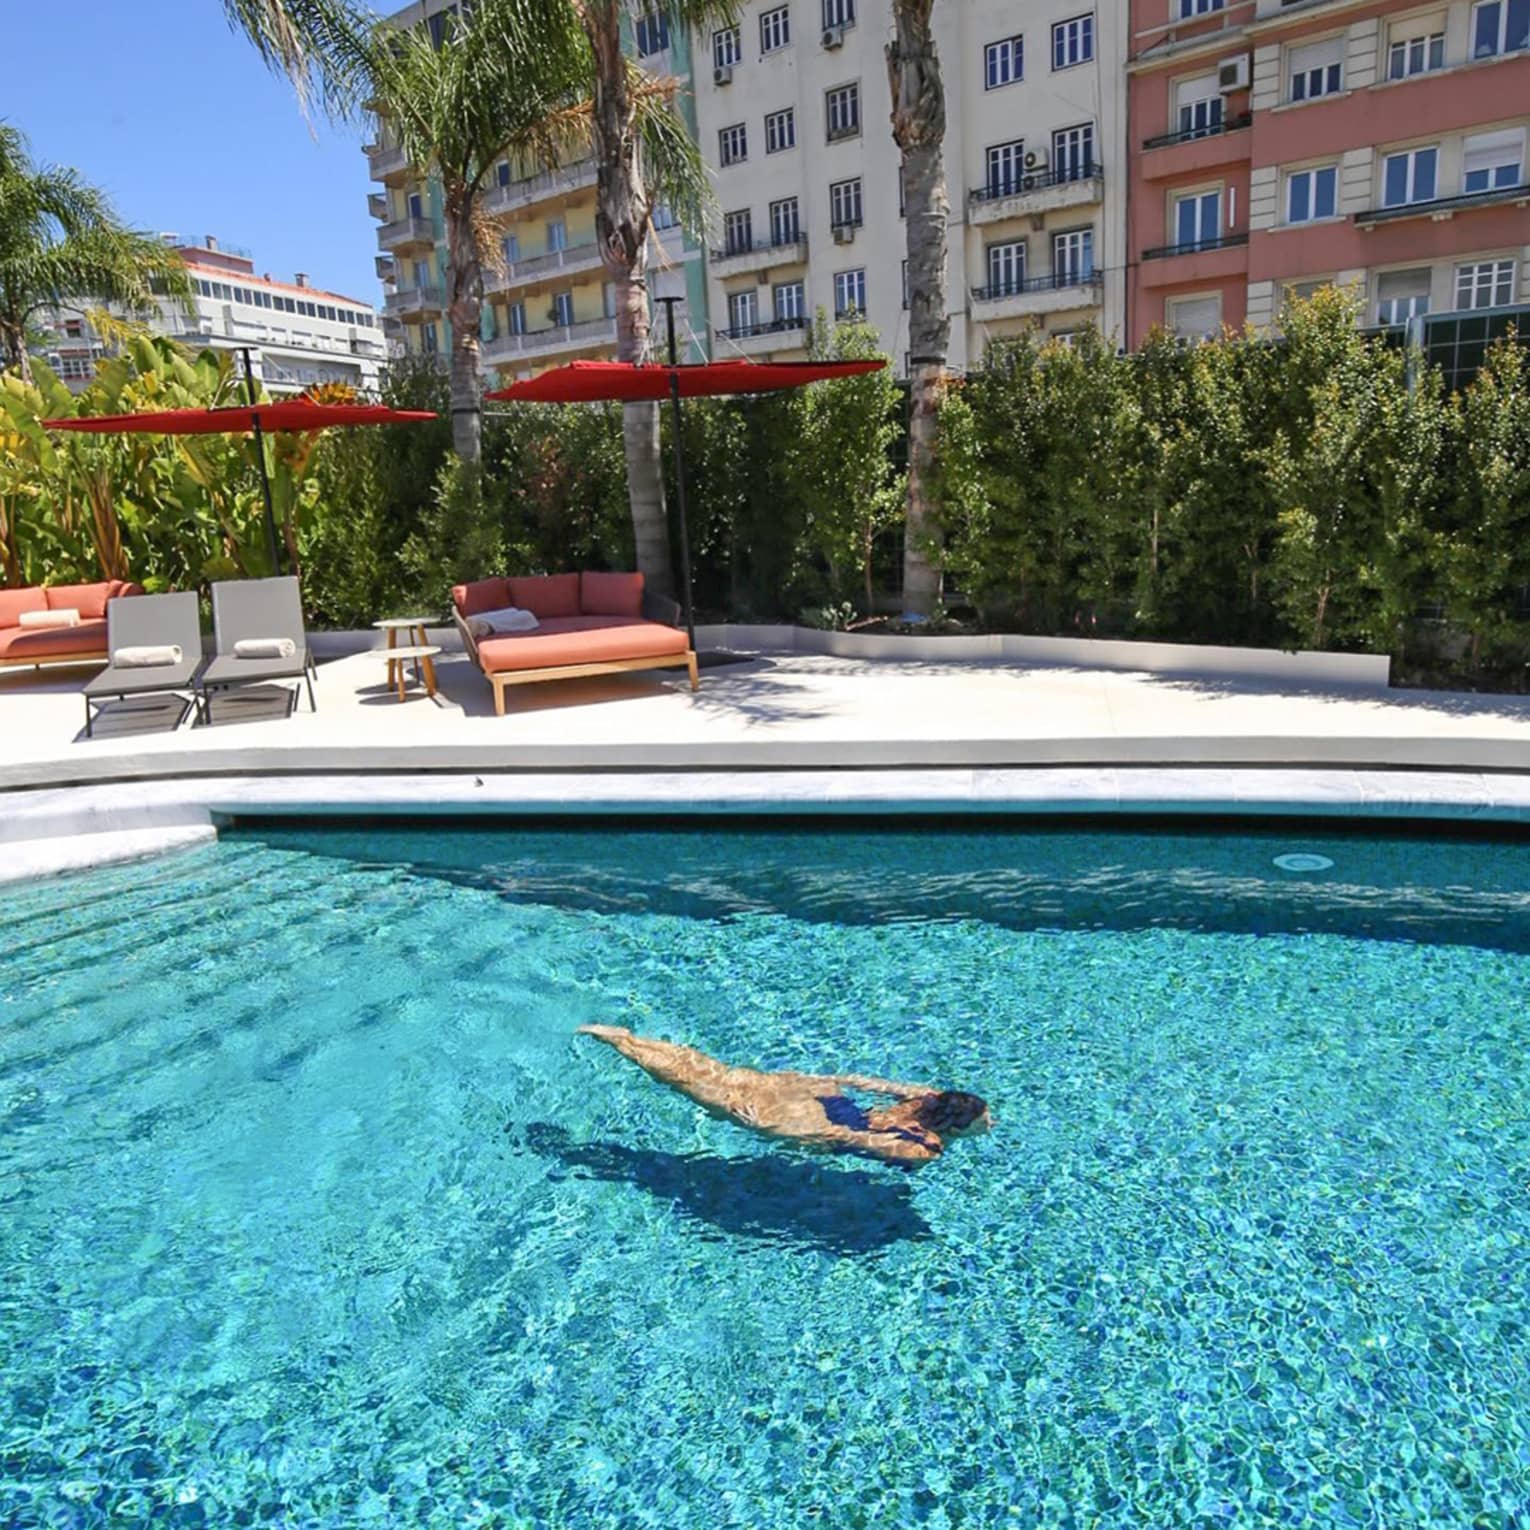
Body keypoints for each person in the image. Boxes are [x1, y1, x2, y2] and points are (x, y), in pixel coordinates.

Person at [577, 1025, 992, 1168]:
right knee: (705, 1089)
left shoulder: (929, 1096)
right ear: (956, 1126)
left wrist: (820, 1080)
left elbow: (866, 1084)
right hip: (819, 1123)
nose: (990, 1123)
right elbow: (853, 1138)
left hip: (828, 1097)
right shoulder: (925, 1149)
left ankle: (628, 1039)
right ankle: (622, 1044)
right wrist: (779, 1131)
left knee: (718, 1074)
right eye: (982, 1121)